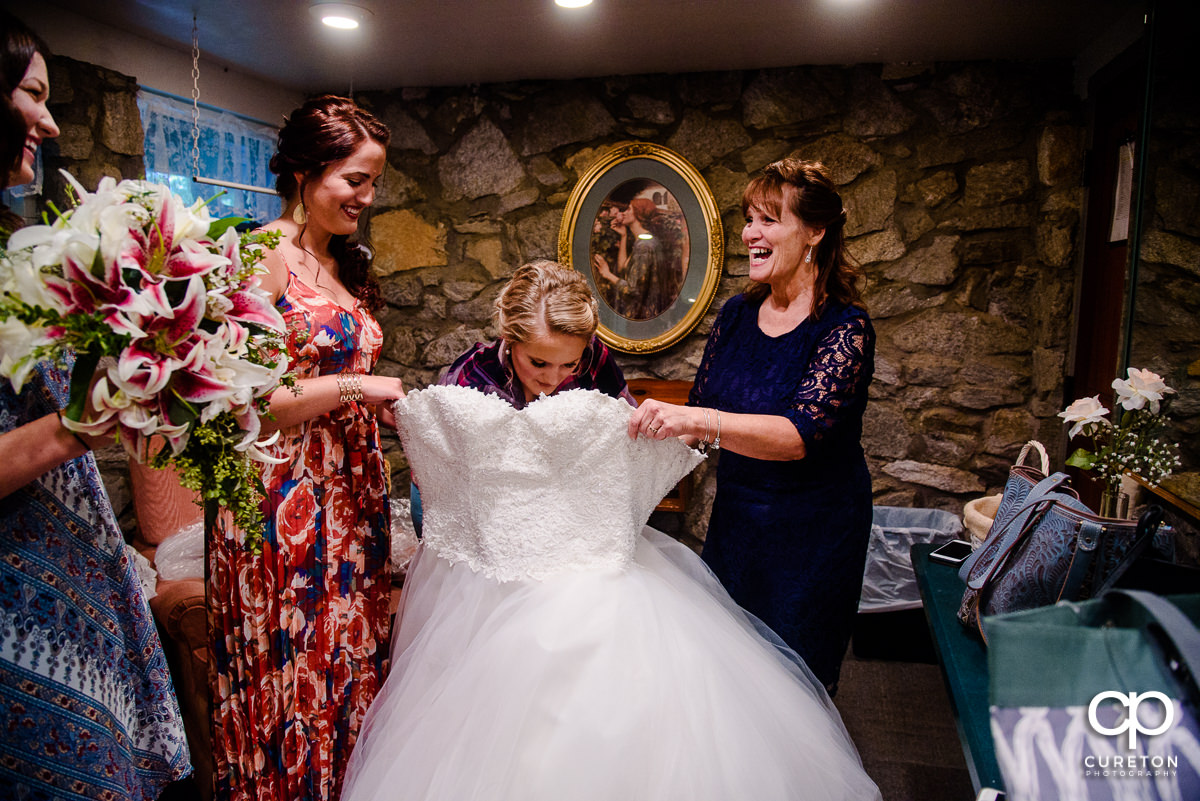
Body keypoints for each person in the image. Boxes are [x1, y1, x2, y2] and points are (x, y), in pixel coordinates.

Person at [340, 383, 881, 801]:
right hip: (499, 578)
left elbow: (643, 448)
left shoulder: (602, 377)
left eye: (567, 365)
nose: (555, 377)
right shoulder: (471, 377)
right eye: (540, 364)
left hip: (597, 567)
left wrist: (680, 430)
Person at [0, 11, 192, 798]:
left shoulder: (14, 239)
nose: (48, 120)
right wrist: (90, 418)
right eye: (30, 93)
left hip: (74, 578)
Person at [207, 95, 404, 801]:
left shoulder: (340, 265)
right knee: (295, 672)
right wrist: (361, 384)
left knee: (349, 664)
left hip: (349, 500)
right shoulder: (262, 257)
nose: (367, 196)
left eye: (373, 181)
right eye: (355, 178)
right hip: (285, 498)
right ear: (303, 171)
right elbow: (253, 401)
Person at [628, 156, 875, 695]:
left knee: (792, 677)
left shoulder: (845, 327)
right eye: (748, 218)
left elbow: (796, 436)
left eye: (768, 220)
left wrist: (699, 419)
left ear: (814, 232)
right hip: (739, 521)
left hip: (814, 532)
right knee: (732, 669)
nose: (750, 234)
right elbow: (698, 410)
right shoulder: (737, 315)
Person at [439, 259, 635, 408]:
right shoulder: (470, 381)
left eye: (570, 364)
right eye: (538, 363)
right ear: (509, 337)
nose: (551, 379)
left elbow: (627, 423)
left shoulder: (593, 356)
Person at [591, 197, 671, 320]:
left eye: (629, 209)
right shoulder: (645, 240)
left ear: (638, 213)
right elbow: (624, 266)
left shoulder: (644, 246)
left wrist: (607, 274)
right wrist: (623, 236)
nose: (624, 213)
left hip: (641, 317)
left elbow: (633, 290)